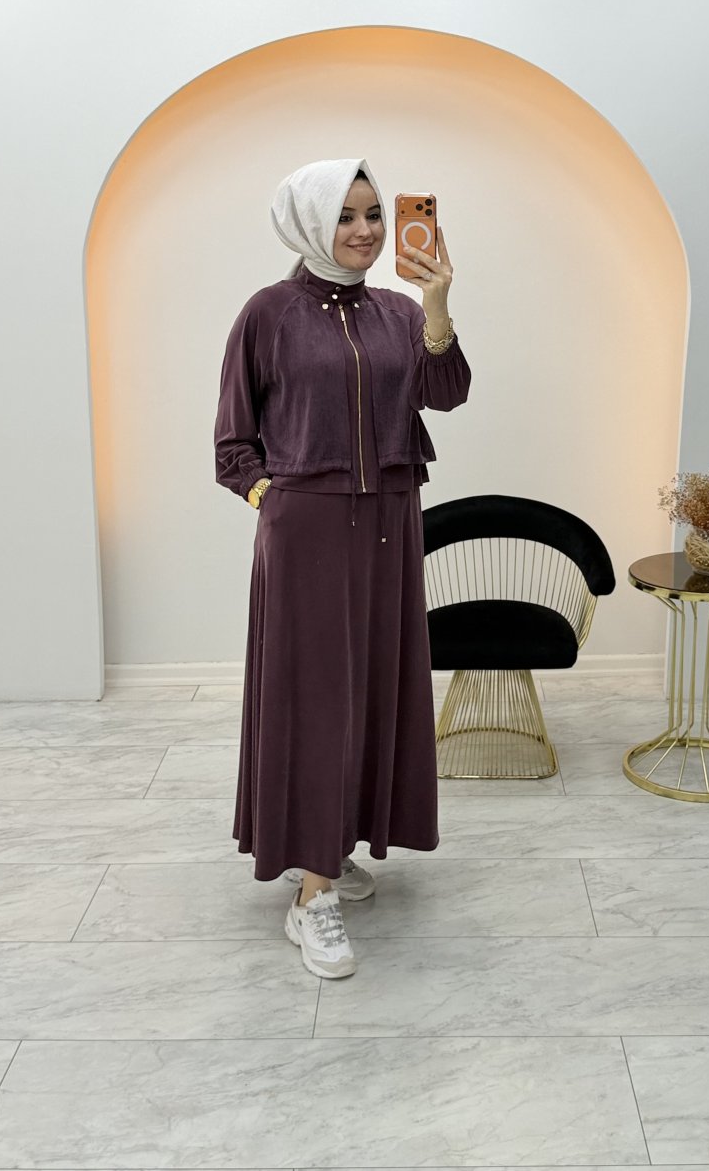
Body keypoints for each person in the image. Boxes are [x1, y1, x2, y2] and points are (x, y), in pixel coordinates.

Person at [213, 158, 471, 979]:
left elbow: (447, 392)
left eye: (373, 214)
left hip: (391, 522)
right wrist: (274, 499)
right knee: (316, 699)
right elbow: (232, 440)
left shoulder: (398, 311)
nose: (365, 231)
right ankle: (311, 895)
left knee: (374, 688)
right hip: (308, 532)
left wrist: (437, 304)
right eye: (346, 216)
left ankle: (335, 841)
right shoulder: (269, 313)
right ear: (309, 222)